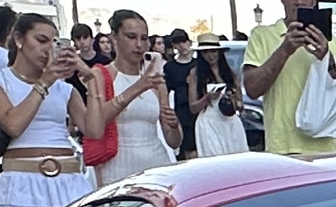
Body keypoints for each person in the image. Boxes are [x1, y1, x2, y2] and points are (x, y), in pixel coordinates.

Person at [0, 11, 99, 207]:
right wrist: (45, 81)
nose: (47, 49)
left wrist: (91, 80)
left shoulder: (64, 88)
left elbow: (94, 131)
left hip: (69, 180)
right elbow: (13, 125)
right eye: (41, 40)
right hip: (22, 182)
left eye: (53, 43)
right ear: (19, 39)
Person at [241, 0, 336, 156]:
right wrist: (285, 49)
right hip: (283, 148)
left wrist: (328, 58)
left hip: (327, 148)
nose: (299, 2)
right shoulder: (262, 35)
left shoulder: (330, 40)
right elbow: (252, 89)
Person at [93, 9, 180, 183]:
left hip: (156, 165)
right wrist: (138, 87)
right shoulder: (101, 75)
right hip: (117, 169)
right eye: (131, 37)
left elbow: (173, 141)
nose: (139, 45)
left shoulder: (156, 80)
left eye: (144, 38)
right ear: (114, 37)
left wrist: (174, 124)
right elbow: (95, 124)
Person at [191, 39, 249, 157]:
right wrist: (207, 98)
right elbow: (193, 107)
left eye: (214, 51)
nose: (210, 56)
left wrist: (233, 100)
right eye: (206, 52)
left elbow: (240, 105)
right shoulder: (195, 74)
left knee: (238, 160)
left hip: (230, 122)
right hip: (209, 123)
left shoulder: (230, 73)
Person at [163, 29, 201, 157]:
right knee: (188, 149)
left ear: (189, 42)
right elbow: (166, 91)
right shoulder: (170, 67)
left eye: (183, 42)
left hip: (199, 109)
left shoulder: (199, 64)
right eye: (177, 43)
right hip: (182, 112)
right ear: (174, 46)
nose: (181, 46)